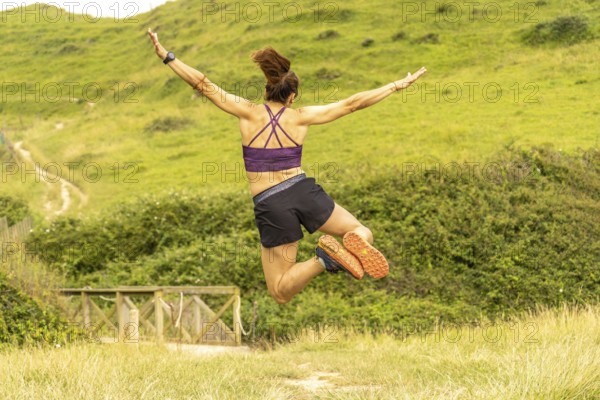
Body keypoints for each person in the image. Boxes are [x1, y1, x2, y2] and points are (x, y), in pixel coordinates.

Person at [147, 28, 427, 304]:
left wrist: (168, 56)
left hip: (271, 203)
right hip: (302, 190)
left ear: (267, 89)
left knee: (280, 291)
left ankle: (323, 260)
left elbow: (203, 84)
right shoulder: (301, 117)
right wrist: (394, 86)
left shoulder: (246, 111)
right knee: (360, 231)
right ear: (292, 97)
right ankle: (352, 244)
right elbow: (352, 104)